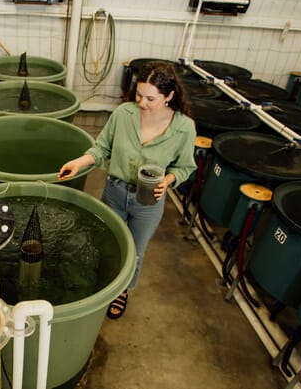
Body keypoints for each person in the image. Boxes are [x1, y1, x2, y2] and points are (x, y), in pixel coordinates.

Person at [58, 61, 197, 319]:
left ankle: (122, 290)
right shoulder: (124, 114)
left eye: (151, 98)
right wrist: (79, 162)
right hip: (115, 191)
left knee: (134, 250)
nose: (142, 103)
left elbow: (186, 166)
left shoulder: (184, 128)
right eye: (139, 95)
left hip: (149, 201)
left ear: (169, 96)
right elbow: (101, 149)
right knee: (107, 241)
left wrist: (167, 181)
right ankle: (103, 282)